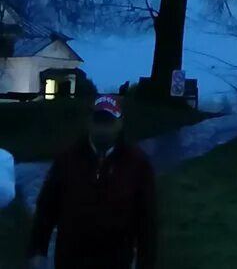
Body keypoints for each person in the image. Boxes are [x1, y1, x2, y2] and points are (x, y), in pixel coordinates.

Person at [28, 94, 157, 269]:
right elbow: (46, 208)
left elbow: (147, 220)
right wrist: (38, 251)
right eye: (98, 121)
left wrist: (146, 262)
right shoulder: (67, 159)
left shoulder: (138, 163)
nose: (103, 128)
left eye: (109, 122)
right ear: (89, 122)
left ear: (120, 124)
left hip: (116, 261)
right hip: (70, 260)